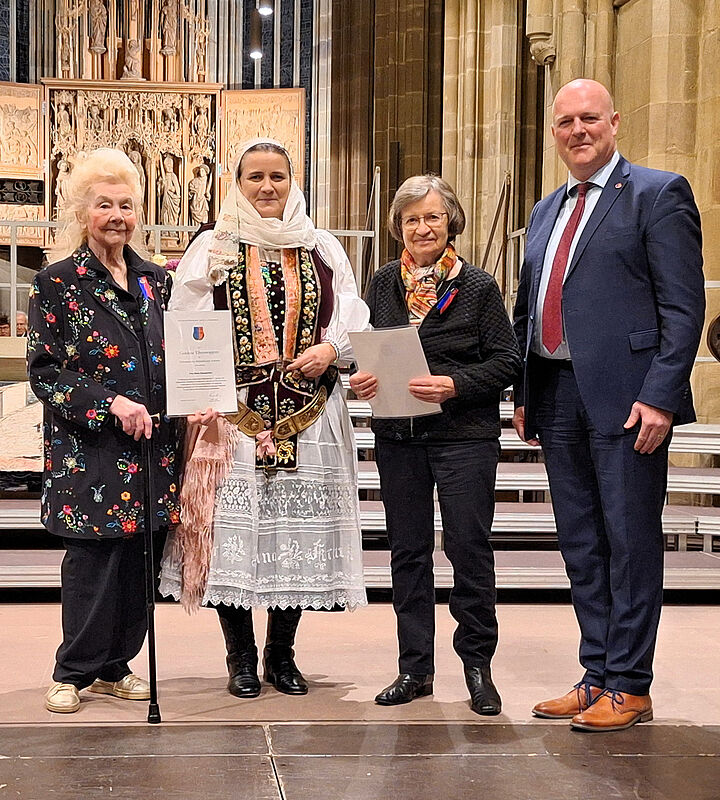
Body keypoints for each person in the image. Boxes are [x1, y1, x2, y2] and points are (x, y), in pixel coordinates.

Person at [512, 79, 705, 732]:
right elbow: (528, 308)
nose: (577, 130)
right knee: (582, 546)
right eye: (565, 121)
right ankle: (596, 674)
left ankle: (631, 684)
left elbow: (683, 307)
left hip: (628, 400)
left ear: (614, 122)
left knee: (629, 543)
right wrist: (524, 393)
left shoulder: (657, 193)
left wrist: (660, 396)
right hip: (558, 395)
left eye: (589, 118)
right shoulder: (546, 211)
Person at [160, 138, 368, 698]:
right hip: (234, 417)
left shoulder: (321, 245)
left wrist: (332, 348)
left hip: (312, 410)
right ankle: (240, 658)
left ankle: (281, 655)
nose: (267, 187)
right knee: (236, 535)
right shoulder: (213, 246)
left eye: (277, 176)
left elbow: (350, 311)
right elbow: (185, 322)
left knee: (288, 537)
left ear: (293, 179)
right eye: (255, 177)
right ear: (238, 182)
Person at [349, 175, 522, 715]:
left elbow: (507, 360)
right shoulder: (381, 284)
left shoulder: (478, 286)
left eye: (432, 217)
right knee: (408, 551)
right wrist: (363, 377)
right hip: (401, 435)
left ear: (451, 222)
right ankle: (414, 668)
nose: (422, 228)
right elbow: (370, 351)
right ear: (397, 227)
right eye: (410, 219)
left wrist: (454, 384)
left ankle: (476, 665)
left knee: (468, 549)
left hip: (463, 437)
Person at [27, 148, 180, 713]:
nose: (116, 215)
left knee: (140, 560)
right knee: (94, 561)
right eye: (104, 205)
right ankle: (73, 671)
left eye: (126, 205)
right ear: (81, 212)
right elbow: (46, 371)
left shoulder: (154, 281)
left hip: (151, 447)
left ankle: (116, 665)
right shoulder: (58, 282)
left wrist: (198, 400)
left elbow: (173, 355)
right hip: (91, 450)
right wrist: (110, 403)